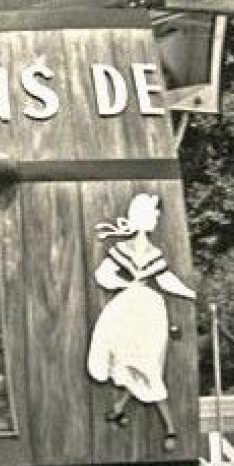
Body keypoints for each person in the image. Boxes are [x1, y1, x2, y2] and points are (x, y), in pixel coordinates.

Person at [86, 193, 197, 451]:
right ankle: (169, 428)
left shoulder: (154, 254)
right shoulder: (122, 250)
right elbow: (102, 275)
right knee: (131, 361)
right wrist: (127, 284)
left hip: (149, 312)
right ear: (146, 216)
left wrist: (190, 294)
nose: (157, 218)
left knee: (147, 363)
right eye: (155, 214)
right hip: (128, 310)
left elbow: (167, 281)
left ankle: (118, 407)